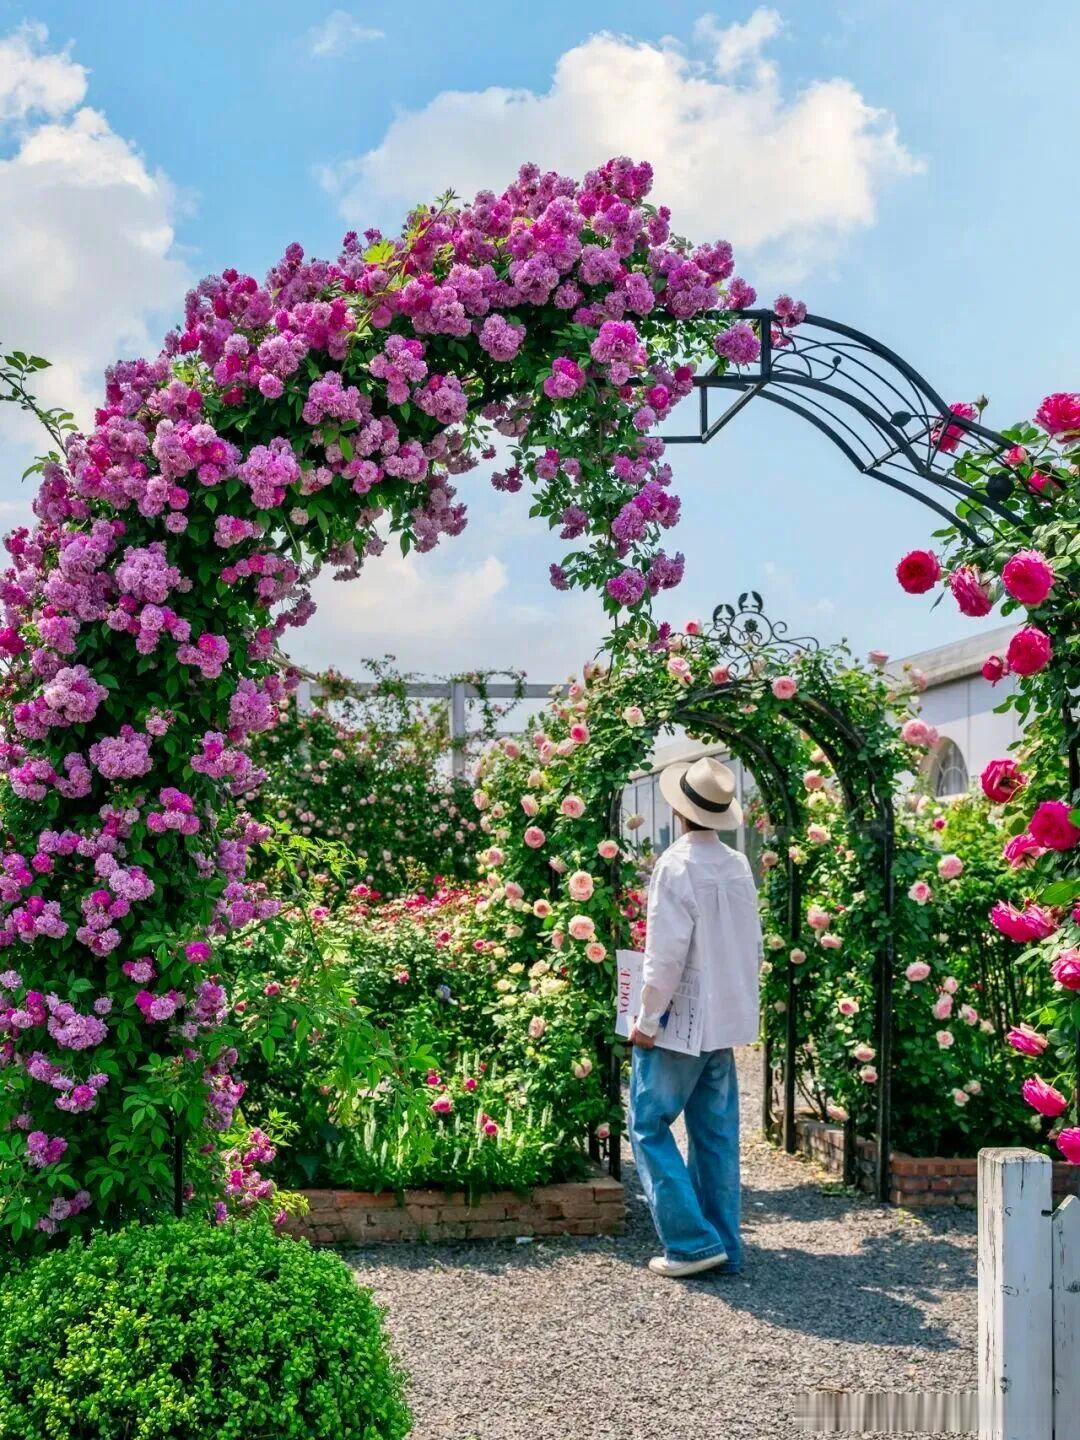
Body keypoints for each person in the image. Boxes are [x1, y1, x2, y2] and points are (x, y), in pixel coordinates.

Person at [628, 754, 762, 1279]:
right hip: (725, 1020)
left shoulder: (676, 864)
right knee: (715, 1134)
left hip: (681, 1020)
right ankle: (723, 1243)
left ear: (679, 811)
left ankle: (689, 1242)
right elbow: (749, 944)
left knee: (648, 1124)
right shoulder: (738, 864)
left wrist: (646, 1020)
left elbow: (664, 957)